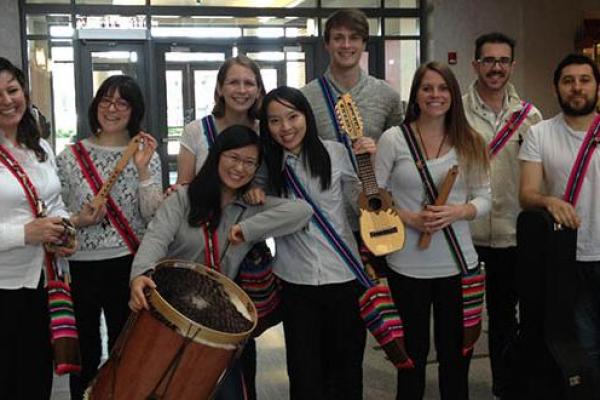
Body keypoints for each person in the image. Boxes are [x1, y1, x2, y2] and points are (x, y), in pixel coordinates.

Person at [129, 125, 313, 400]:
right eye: (234, 158)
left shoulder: (250, 207)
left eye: (250, 163)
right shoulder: (183, 198)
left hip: (218, 323)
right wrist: (140, 274)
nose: (240, 168)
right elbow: (155, 239)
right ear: (217, 157)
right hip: (170, 313)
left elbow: (302, 211)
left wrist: (248, 229)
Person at [375, 61, 491, 400]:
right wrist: (409, 218)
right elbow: (373, 197)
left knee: (456, 356)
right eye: (427, 88)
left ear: (453, 95)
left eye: (442, 88)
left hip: (458, 265)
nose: (435, 95)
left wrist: (458, 211)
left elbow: (485, 197)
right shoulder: (393, 139)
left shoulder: (471, 140)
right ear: (415, 95)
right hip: (405, 265)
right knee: (410, 357)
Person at [258, 86, 376, 400]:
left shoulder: (335, 153)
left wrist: (371, 169)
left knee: (347, 371)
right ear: (266, 126)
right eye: (274, 121)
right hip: (296, 284)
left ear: (306, 116)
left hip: (345, 278)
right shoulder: (266, 166)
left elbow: (360, 205)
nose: (285, 128)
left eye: (292, 116)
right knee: (304, 374)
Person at [56, 75, 163, 400]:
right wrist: (77, 218)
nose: (112, 109)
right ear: (95, 106)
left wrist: (144, 170)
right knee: (83, 354)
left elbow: (153, 215)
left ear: (134, 110)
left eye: (122, 102)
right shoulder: (70, 157)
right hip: (80, 267)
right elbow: (54, 211)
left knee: (126, 351)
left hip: (128, 265)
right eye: (106, 100)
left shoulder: (146, 155)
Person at [462, 32, 542, 399]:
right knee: (461, 320)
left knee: (504, 318)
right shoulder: (455, 111)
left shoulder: (529, 116)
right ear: (475, 64)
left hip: (510, 234)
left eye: (503, 61)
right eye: (488, 60)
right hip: (464, 233)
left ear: (512, 65)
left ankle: (504, 388)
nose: (496, 68)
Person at [519, 54, 600, 378]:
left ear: (596, 86)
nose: (576, 87)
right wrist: (549, 201)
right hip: (568, 258)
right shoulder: (540, 134)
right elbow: (527, 195)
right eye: (568, 81)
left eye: (584, 80)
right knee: (582, 346)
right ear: (556, 89)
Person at [0, 57, 74, 399]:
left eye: (12, 90)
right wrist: (25, 234)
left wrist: (64, 231)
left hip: (43, 281)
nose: (6, 100)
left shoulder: (39, 146)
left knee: (35, 379)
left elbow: (53, 202)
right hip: (4, 285)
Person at [301, 8, 403, 144]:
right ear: (327, 44)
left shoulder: (388, 96)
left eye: (354, 38)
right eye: (338, 38)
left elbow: (400, 152)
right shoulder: (305, 97)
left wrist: (377, 152)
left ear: (364, 44)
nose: (346, 45)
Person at [177, 55, 265, 184]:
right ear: (220, 89)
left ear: (258, 91)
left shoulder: (266, 132)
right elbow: (183, 187)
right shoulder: (195, 131)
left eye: (249, 83)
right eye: (233, 82)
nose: (241, 90)